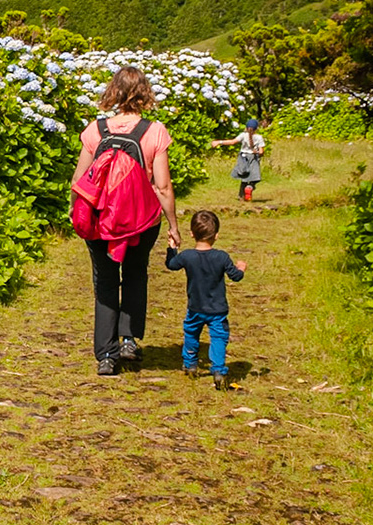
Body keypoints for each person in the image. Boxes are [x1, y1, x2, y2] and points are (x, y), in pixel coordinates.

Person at [71, 65, 181, 375]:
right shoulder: (154, 131)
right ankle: (129, 341)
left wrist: (75, 210)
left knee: (105, 282)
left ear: (113, 92)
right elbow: (162, 186)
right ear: (145, 93)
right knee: (135, 274)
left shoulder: (95, 130)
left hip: (100, 220)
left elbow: (79, 178)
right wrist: (173, 225)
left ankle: (106, 356)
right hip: (141, 221)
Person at [166, 209, 247, 390]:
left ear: (192, 234)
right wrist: (240, 268)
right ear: (216, 235)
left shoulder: (187, 256)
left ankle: (190, 364)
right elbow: (236, 276)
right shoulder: (221, 257)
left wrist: (172, 248)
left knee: (191, 334)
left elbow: (171, 265)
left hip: (195, 307)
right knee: (218, 337)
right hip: (217, 309)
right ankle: (218, 370)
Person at [212, 118, 267, 201]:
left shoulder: (243, 135)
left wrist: (219, 142)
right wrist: (258, 152)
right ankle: (250, 187)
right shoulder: (259, 137)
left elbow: (232, 142)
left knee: (244, 177)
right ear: (256, 128)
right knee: (255, 177)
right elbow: (261, 151)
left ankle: (241, 197)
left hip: (243, 158)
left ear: (246, 127)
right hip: (253, 158)